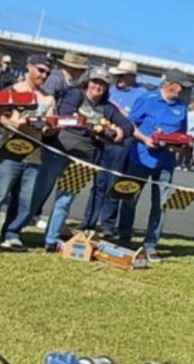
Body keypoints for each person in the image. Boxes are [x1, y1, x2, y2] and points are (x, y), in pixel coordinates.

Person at [42, 67, 132, 250]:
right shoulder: (74, 95)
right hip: (59, 149)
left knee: (65, 200)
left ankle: (50, 240)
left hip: (85, 159)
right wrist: (95, 129)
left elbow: (127, 126)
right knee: (39, 193)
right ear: (87, 82)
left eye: (102, 84)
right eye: (95, 82)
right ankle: (14, 232)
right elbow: (67, 117)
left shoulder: (108, 108)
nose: (97, 87)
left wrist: (118, 132)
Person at [0, 54, 57, 251]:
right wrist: (13, 123)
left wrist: (50, 128)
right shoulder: (12, 91)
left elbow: (51, 126)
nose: (43, 75)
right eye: (40, 70)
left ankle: (12, 233)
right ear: (29, 67)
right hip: (10, 151)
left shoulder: (48, 98)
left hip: (34, 154)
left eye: (47, 72)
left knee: (25, 199)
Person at [116, 68, 192, 262]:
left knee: (160, 204)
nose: (183, 91)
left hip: (166, 163)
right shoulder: (147, 99)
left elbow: (181, 135)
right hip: (140, 158)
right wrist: (144, 138)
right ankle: (124, 239)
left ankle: (151, 244)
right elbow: (130, 126)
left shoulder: (182, 107)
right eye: (181, 87)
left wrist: (179, 146)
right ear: (171, 85)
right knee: (129, 198)